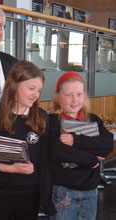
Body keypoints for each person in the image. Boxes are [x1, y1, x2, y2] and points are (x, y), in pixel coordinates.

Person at [0, 60, 54, 220]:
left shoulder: (41, 118)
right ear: (14, 86)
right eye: (31, 88)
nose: (35, 94)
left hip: (29, 197)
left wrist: (47, 199)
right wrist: (11, 168)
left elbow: (45, 162)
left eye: (39, 90)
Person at [48, 72, 113, 220]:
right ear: (58, 96)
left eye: (79, 94)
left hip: (90, 192)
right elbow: (58, 151)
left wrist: (76, 141)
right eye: (68, 94)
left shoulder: (93, 120)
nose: (74, 100)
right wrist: (92, 159)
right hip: (63, 192)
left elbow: (107, 144)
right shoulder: (52, 121)